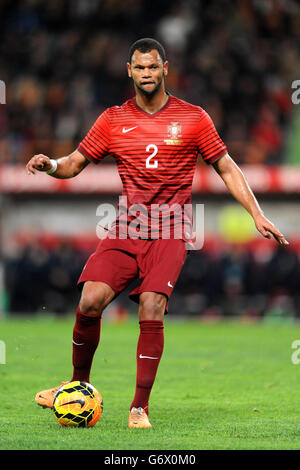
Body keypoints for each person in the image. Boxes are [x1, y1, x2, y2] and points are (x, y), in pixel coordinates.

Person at [26, 38, 289, 429]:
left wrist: (257, 213)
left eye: (152, 67)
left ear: (166, 68)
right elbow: (74, 164)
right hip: (126, 227)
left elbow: (228, 168)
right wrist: (50, 165)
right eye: (139, 68)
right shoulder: (113, 119)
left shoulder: (194, 118)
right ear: (128, 71)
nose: (146, 74)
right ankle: (77, 386)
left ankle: (139, 408)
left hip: (170, 230)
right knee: (90, 300)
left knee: (151, 306)